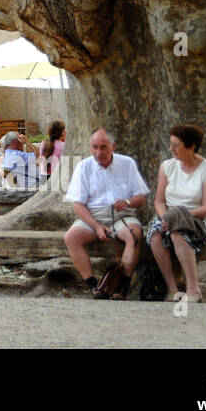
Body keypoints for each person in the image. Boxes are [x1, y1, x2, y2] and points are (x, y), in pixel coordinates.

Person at [63, 127, 150, 299]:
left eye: (103, 147)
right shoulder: (84, 167)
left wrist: (127, 202)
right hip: (92, 215)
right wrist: (96, 226)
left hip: (121, 215)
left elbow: (141, 197)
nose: (98, 152)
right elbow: (78, 205)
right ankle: (93, 286)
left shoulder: (127, 163)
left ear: (113, 146)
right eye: (94, 147)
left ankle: (121, 287)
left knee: (134, 235)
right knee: (71, 237)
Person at [145, 124, 206, 304]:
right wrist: (166, 217)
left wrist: (177, 217)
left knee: (178, 232)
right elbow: (159, 201)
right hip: (169, 215)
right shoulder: (167, 166)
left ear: (191, 147)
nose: (171, 149)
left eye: (176, 145)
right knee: (155, 235)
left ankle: (193, 289)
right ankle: (172, 289)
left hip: (200, 219)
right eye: (170, 144)